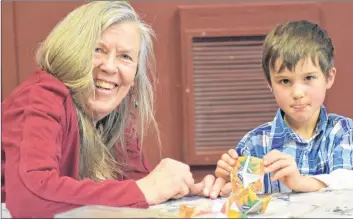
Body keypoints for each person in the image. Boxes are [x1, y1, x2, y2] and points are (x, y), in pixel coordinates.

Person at [1, 1, 227, 218]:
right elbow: (29, 198)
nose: (109, 67)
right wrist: (148, 189)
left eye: (125, 57)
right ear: (71, 52)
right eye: (97, 50)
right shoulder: (40, 97)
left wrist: (186, 192)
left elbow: (134, 194)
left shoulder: (114, 117)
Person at [215, 20, 353, 194]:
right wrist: (227, 181)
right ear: (270, 85)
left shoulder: (344, 132)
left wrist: (300, 182)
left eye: (309, 78)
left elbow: (347, 183)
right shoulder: (253, 144)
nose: (297, 93)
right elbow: (243, 200)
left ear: (329, 77)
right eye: (285, 81)